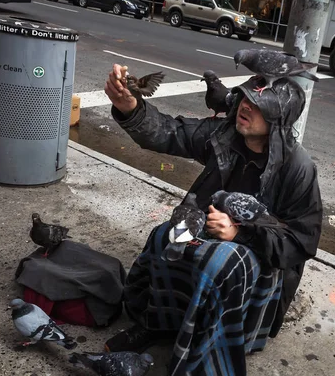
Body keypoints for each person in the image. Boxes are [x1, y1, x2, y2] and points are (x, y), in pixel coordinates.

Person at [103, 64, 323, 375]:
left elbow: (302, 241)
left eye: (257, 104)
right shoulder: (224, 134)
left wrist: (241, 234)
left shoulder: (297, 167)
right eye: (245, 97)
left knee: (221, 262)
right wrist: (130, 107)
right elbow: (172, 132)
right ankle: (159, 323)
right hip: (210, 230)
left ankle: (205, 351)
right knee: (167, 236)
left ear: (278, 119)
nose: (245, 106)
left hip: (259, 259)